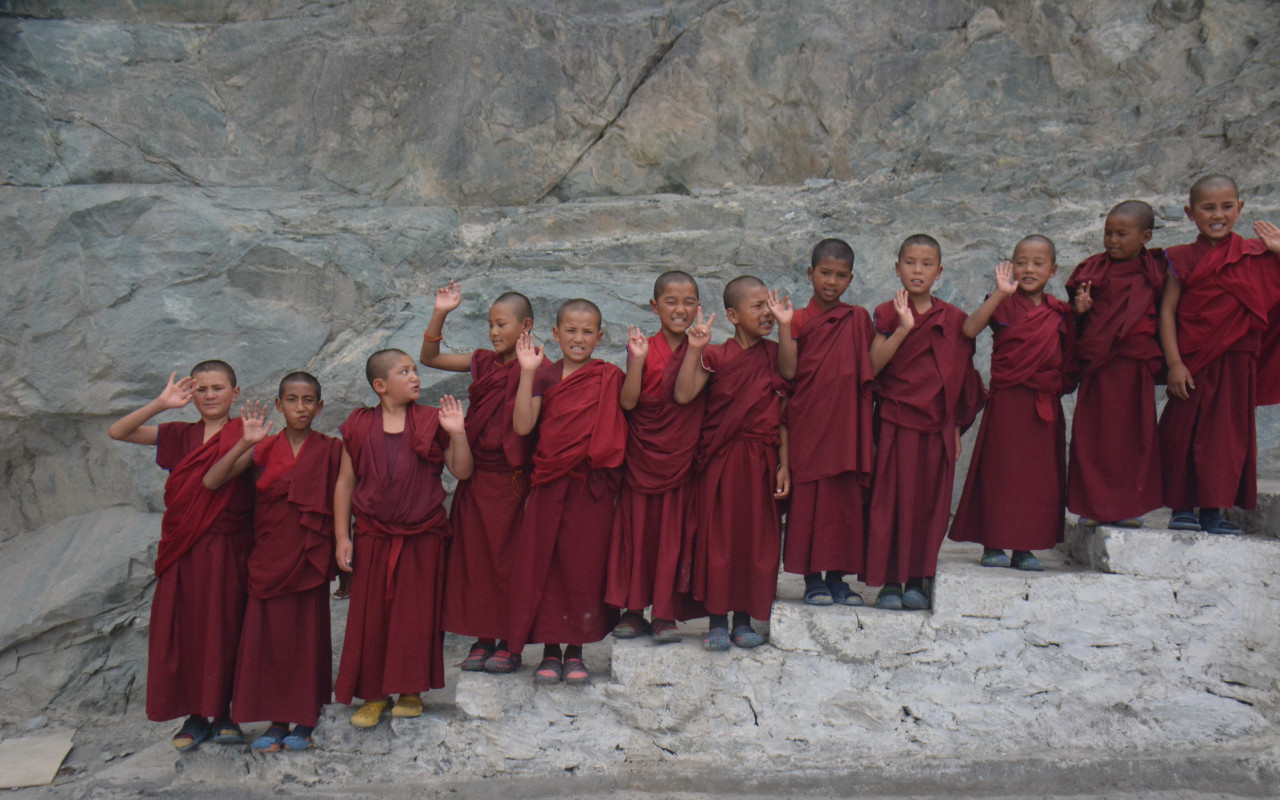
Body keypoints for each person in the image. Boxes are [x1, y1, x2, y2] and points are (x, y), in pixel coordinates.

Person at [107, 361, 253, 752]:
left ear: (234, 393)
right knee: (184, 628)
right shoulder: (179, 435)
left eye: (218, 388)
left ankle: (226, 713)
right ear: (191, 396)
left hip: (228, 547)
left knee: (226, 625)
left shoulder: (248, 433)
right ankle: (195, 715)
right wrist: (160, 403)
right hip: (183, 549)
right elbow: (117, 431)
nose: (209, 395)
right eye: (201, 389)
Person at [203, 372, 343, 753]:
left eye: (309, 400)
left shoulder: (332, 449)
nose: (301, 407)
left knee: (307, 639)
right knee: (271, 641)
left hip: (309, 555)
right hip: (268, 557)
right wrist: (243, 444)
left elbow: (344, 501)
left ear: (320, 406)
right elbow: (212, 481)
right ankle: (277, 721)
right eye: (293, 400)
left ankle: (306, 718)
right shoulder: (262, 449)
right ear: (279, 405)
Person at [333, 349, 473, 727]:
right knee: (371, 617)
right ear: (380, 386)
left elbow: (461, 471)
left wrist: (458, 433)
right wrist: (341, 538)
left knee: (416, 615)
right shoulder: (359, 424)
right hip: (372, 536)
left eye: (414, 370)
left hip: (422, 535)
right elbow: (345, 484)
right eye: (404, 371)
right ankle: (374, 694)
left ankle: (410, 691)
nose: (415, 377)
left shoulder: (431, 421)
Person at [418, 282, 543, 673]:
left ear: (525, 326)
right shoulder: (482, 362)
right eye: (490, 324)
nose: (493, 332)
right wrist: (441, 311)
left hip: (514, 483)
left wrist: (525, 372)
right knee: (474, 562)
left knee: (510, 563)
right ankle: (481, 639)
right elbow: (430, 357)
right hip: (477, 479)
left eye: (501, 324)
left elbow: (527, 429)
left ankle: (510, 642)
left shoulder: (540, 367)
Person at [503, 299, 626, 685]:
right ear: (555, 334)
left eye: (587, 331)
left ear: (600, 337)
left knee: (583, 568)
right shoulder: (543, 376)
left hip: (590, 490)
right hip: (549, 485)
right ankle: (549, 651)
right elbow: (523, 426)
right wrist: (526, 373)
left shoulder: (609, 376)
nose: (578, 338)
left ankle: (576, 651)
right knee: (546, 567)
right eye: (570, 330)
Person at [867, 235, 984, 611]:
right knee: (889, 501)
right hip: (894, 423)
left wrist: (955, 427)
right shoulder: (886, 313)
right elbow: (871, 367)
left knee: (928, 504)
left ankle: (918, 579)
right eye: (911, 263)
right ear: (897, 267)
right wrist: (903, 328)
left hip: (936, 428)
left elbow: (962, 376)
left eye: (927, 263)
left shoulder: (952, 319)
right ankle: (888, 582)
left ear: (939, 271)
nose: (918, 270)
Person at [1159, 175, 1280, 533]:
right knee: (1183, 431)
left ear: (1240, 209)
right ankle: (1181, 508)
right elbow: (1167, 311)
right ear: (1190, 213)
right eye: (1208, 207)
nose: (1218, 214)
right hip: (1193, 361)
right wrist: (1175, 363)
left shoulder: (1256, 255)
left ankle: (1213, 511)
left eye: (1227, 206)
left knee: (1227, 437)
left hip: (1237, 361)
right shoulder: (1180, 258)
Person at [675, 277, 791, 650]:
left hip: (762, 460)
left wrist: (784, 464)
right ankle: (716, 621)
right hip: (721, 461)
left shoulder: (774, 354)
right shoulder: (717, 355)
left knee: (756, 541)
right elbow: (683, 394)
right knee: (719, 540)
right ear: (732, 315)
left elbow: (789, 389)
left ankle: (744, 620)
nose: (766, 312)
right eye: (757, 305)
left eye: (768, 304)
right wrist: (694, 349)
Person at [949, 237, 1076, 570]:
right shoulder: (1002, 302)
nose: (1029, 269)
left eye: (1038, 263)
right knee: (999, 473)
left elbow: (1070, 357)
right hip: (1008, 402)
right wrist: (1000, 294)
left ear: (1053, 269)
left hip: (1043, 404)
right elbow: (969, 329)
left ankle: (1025, 547)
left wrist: (1084, 314)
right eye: (1021, 262)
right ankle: (992, 544)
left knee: (1037, 478)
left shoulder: (1058, 312)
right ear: (1011, 266)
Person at [775, 238, 875, 606]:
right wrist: (784, 328)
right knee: (809, 504)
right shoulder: (798, 318)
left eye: (840, 276)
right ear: (810, 274)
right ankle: (812, 579)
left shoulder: (858, 319)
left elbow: (869, 368)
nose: (831, 282)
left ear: (850, 279)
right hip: (809, 424)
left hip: (845, 425)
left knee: (843, 502)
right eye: (825, 273)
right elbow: (789, 371)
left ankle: (838, 578)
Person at [607, 271, 707, 643]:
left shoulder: (704, 348)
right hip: (642, 458)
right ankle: (633, 611)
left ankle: (664, 613)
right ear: (654, 306)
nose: (680, 309)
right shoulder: (641, 347)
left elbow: (686, 397)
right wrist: (636, 361)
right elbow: (629, 402)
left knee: (672, 537)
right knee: (637, 534)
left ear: (698, 307)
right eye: (671, 301)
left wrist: (696, 349)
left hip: (680, 458)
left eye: (689, 302)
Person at [1065, 201, 1165, 528]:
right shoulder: (1092, 270)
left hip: (1135, 368)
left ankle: (1127, 506)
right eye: (1108, 233)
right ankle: (1091, 506)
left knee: (1134, 438)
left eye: (1123, 234)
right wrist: (1080, 310)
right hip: (1099, 368)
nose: (1113, 240)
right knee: (1091, 437)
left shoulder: (1155, 271)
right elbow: (1075, 323)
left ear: (1145, 236)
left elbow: (1166, 315)